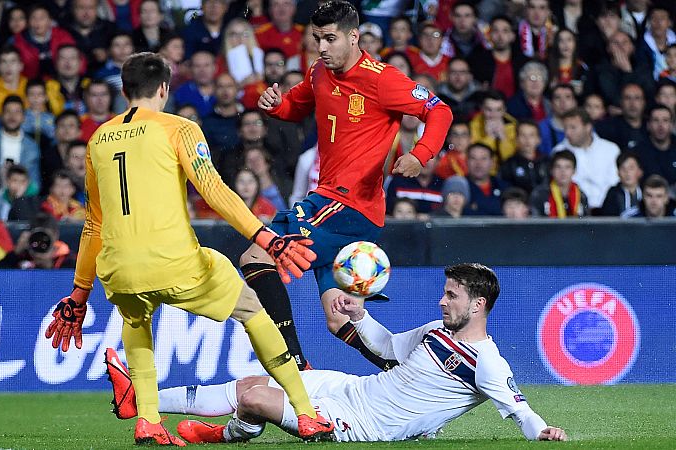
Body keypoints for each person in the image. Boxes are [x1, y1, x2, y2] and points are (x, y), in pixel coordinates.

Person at [45, 52, 335, 446]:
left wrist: (79, 295)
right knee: (252, 310)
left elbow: (93, 223)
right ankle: (306, 413)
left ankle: (147, 420)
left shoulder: (98, 139)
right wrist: (266, 237)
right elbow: (214, 191)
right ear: (164, 88)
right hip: (175, 261)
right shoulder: (179, 128)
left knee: (136, 323)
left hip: (119, 268)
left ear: (125, 91)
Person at [146, 263, 568, 444]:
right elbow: (388, 347)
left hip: (361, 424)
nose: (442, 301)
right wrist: (360, 317)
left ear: (478, 305)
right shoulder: (438, 330)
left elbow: (519, 410)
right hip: (354, 389)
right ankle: (143, 401)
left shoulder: (488, 362)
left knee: (255, 400)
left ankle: (227, 436)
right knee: (250, 383)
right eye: (444, 293)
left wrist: (543, 430)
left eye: (452, 296)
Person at [252, 0, 453, 371]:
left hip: (347, 206)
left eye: (330, 39)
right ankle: (408, 382)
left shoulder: (382, 79)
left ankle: (296, 365)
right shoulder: (318, 72)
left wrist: (421, 153)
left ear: (354, 36)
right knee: (338, 318)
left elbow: (439, 111)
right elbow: (295, 106)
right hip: (335, 209)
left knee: (256, 255)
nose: (322, 47)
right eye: (316, 39)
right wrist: (275, 106)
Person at [552, 108, 620, 211]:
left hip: (608, 211)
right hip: (574, 212)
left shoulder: (611, 149)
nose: (567, 133)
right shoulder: (558, 151)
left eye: (573, 128)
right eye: (565, 128)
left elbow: (615, 182)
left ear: (588, 127)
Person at [529, 149, 588, 218]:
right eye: (558, 167)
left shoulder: (581, 195)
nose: (563, 171)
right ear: (551, 170)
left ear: (574, 171)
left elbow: (586, 224)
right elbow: (534, 224)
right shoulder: (539, 194)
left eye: (567, 167)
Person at [499, 120, 548, 194]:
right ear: (516, 139)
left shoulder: (548, 162)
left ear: (539, 140)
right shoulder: (508, 165)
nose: (527, 140)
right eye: (523, 135)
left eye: (531, 135)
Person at [464, 143, 507, 216]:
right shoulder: (459, 186)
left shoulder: (504, 186)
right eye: (473, 158)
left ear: (492, 163)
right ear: (466, 162)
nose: (478, 164)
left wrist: (477, 205)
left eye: (483, 159)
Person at [538, 84, 578, 155]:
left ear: (574, 102)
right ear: (551, 103)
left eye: (567, 97)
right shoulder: (541, 128)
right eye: (557, 98)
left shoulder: (584, 127)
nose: (563, 101)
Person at [600, 152, 644, 217]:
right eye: (623, 169)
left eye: (631, 168)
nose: (627, 173)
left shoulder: (646, 191)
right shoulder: (612, 194)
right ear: (618, 173)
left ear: (640, 171)